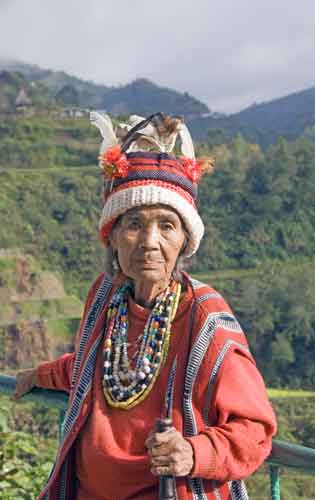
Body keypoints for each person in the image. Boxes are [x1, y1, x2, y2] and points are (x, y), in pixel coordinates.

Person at [13, 112, 277, 500]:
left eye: (167, 226)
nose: (149, 242)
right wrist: (41, 374)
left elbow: (255, 429)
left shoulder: (204, 318)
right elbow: (96, 368)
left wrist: (193, 452)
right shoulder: (105, 297)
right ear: (114, 236)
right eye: (134, 224)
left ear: (184, 241)